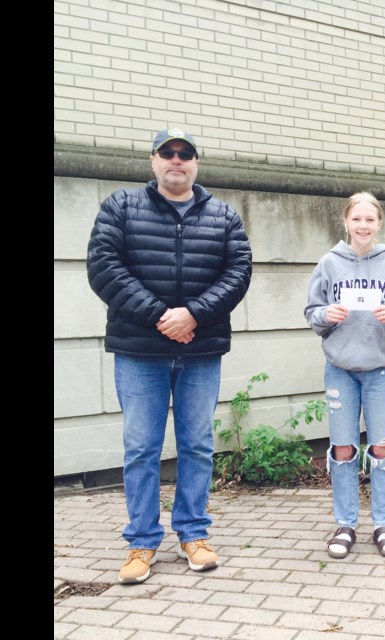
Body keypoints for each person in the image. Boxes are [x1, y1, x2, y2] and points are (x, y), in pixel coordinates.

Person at [87, 128, 253, 584]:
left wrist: (193, 315)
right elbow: (104, 267)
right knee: (141, 448)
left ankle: (193, 535)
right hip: (141, 352)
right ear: (153, 161)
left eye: (186, 154)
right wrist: (162, 316)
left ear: (196, 164)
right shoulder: (121, 207)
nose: (176, 160)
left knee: (196, 445)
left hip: (200, 351)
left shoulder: (223, 216)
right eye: (168, 153)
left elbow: (238, 272)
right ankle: (141, 542)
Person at [305, 192, 385, 558]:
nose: (363, 226)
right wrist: (327, 315)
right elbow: (311, 311)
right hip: (340, 369)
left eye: (370, 220)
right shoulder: (329, 262)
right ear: (346, 222)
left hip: (380, 370)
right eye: (357, 219)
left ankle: (383, 523)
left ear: (379, 223)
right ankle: (346, 524)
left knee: (383, 446)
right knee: (342, 448)